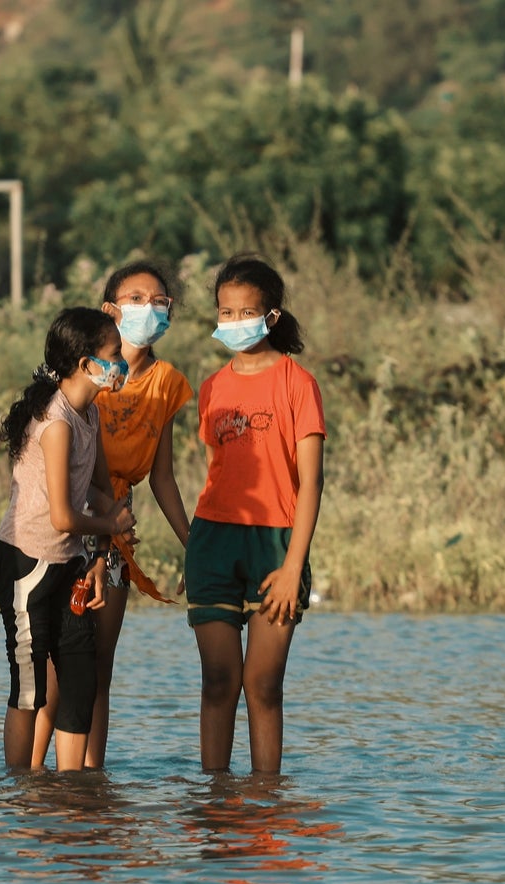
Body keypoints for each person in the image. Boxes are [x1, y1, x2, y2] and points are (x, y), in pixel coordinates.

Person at [32, 261, 193, 770]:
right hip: (65, 525)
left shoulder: (166, 383)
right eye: (137, 298)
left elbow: (162, 477)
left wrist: (196, 546)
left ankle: (87, 778)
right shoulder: (79, 369)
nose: (149, 308)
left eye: (159, 300)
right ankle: (32, 780)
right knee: (56, 665)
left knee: (98, 664)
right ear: (111, 309)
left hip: (116, 528)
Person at [186, 255, 325, 775]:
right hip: (214, 542)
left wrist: (293, 567)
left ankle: (266, 801)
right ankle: (214, 802)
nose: (233, 321)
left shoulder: (297, 382)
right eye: (225, 312)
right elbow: (214, 473)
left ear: (270, 316)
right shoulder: (212, 387)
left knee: (262, 684)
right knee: (218, 681)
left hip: (276, 542)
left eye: (245, 311)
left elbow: (310, 481)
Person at [0, 307, 136, 772]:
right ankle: (16, 791)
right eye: (113, 355)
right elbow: (64, 515)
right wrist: (112, 526)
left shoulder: (89, 412)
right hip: (26, 562)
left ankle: (73, 792)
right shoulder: (55, 422)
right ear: (83, 363)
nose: (121, 364)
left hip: (66, 560)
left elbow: (94, 488)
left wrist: (113, 510)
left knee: (79, 679)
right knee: (30, 689)